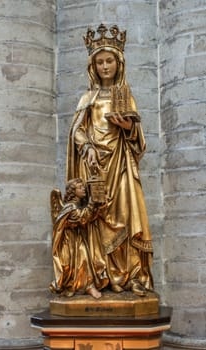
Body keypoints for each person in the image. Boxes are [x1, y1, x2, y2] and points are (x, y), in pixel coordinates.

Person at [66, 24, 154, 296]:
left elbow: (139, 140)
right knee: (95, 218)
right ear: (93, 66)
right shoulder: (87, 98)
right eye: (100, 62)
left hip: (121, 166)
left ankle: (129, 276)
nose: (105, 66)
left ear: (119, 63)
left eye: (110, 61)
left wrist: (127, 127)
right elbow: (77, 131)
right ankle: (100, 276)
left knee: (126, 217)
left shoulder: (125, 96)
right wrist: (88, 147)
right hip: (94, 166)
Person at [50, 178, 104, 299]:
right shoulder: (70, 207)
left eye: (83, 187)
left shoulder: (77, 205)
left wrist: (97, 206)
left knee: (84, 260)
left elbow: (87, 218)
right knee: (80, 261)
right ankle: (79, 286)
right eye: (80, 187)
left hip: (78, 238)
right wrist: (91, 202)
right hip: (70, 242)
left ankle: (88, 286)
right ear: (73, 192)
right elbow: (82, 218)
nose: (83, 189)